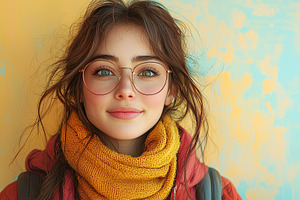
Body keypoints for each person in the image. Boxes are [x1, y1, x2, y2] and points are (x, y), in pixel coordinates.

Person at [0, 0, 241, 199]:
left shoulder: (218, 193)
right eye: (104, 71)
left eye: (148, 71)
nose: (126, 90)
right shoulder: (23, 194)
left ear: (172, 89)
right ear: (79, 88)